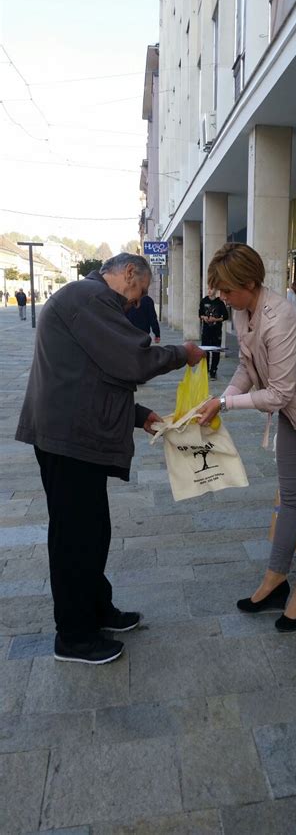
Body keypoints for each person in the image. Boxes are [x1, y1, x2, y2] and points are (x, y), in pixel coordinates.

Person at [15, 253, 204, 665]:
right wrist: (182, 353)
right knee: (74, 538)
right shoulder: (91, 297)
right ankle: (74, 636)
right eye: (140, 293)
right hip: (67, 440)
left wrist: (140, 417)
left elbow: (94, 374)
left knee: (93, 530)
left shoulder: (86, 299)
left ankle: (97, 608)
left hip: (73, 434)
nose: (137, 303)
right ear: (129, 273)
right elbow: (132, 360)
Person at [198, 243, 296, 632]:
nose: (222, 298)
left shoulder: (281, 317)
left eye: (227, 290)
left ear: (250, 283)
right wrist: (220, 398)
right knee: (291, 499)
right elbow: (248, 369)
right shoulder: (241, 310)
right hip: (292, 411)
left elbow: (278, 392)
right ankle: (276, 578)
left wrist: (226, 406)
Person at [199, 286, 228, 379]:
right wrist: (204, 318)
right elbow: (200, 314)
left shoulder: (220, 303)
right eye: (208, 289)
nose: (209, 291)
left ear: (215, 290)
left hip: (216, 331)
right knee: (205, 351)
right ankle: (205, 369)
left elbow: (225, 316)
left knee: (216, 351)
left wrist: (216, 319)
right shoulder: (203, 301)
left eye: (211, 289)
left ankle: (213, 370)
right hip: (206, 330)